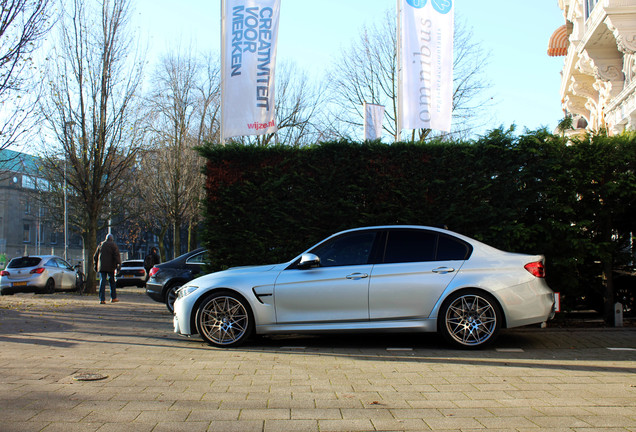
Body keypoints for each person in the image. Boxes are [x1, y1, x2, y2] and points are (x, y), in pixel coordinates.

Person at [93, 233, 122, 304]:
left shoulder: (101, 244)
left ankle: (102, 299)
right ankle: (113, 297)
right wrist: (118, 265)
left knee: (102, 282)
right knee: (112, 282)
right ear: (112, 239)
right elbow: (117, 256)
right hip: (111, 267)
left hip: (101, 267)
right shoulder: (113, 245)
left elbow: (95, 256)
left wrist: (95, 265)